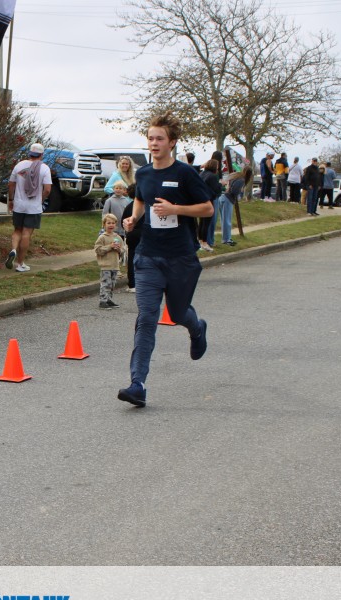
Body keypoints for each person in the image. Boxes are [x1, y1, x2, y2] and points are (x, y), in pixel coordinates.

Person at [118, 112, 214, 408]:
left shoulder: (185, 173)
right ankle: (138, 384)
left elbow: (207, 209)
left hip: (181, 257)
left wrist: (176, 209)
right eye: (150, 138)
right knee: (147, 318)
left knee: (177, 313)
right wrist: (134, 218)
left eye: (159, 138)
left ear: (172, 142)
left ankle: (197, 328)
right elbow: (141, 199)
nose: (154, 143)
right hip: (148, 256)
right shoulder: (144, 174)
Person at [5, 142, 52, 273]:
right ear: (41, 155)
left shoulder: (19, 165)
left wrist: (11, 199)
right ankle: (20, 264)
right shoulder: (44, 168)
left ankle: (13, 250)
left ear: (30, 153)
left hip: (19, 205)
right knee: (26, 233)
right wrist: (41, 200)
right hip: (33, 206)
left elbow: (11, 184)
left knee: (17, 230)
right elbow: (47, 189)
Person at [94, 214, 127, 309]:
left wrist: (118, 249)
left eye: (113, 223)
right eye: (108, 223)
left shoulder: (118, 237)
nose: (111, 225)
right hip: (105, 265)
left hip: (115, 265)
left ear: (116, 225)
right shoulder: (102, 237)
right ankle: (103, 301)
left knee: (112, 284)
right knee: (106, 283)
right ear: (104, 224)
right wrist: (110, 247)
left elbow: (123, 250)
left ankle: (108, 299)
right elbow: (98, 250)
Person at [219, 167, 248, 246]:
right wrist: (239, 192)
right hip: (228, 199)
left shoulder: (235, 175)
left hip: (222, 197)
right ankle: (226, 239)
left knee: (223, 220)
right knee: (227, 220)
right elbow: (234, 191)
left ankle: (226, 238)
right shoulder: (241, 180)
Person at [197, 159, 222, 252]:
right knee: (206, 222)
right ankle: (204, 242)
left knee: (201, 222)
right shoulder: (212, 176)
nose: (218, 168)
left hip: (200, 199)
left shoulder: (201, 174)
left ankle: (200, 241)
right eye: (217, 166)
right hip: (208, 200)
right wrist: (221, 184)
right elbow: (216, 189)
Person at [120, 182, 139, 292]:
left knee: (131, 258)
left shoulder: (129, 207)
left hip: (132, 234)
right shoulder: (146, 206)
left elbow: (123, 221)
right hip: (144, 233)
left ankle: (132, 284)